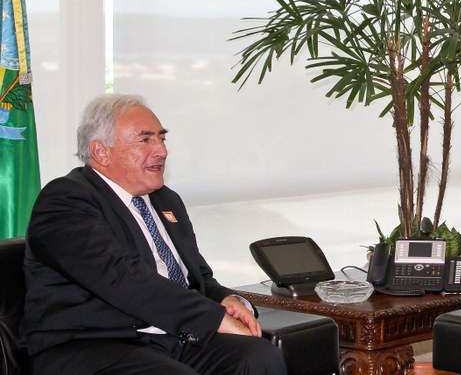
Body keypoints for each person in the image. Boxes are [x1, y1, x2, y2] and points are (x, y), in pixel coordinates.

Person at [19, 94, 287, 375]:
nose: (161, 150)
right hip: (94, 344)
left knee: (258, 357)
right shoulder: (66, 200)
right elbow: (121, 278)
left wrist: (227, 301)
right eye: (145, 140)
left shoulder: (165, 200)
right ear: (101, 152)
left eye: (162, 138)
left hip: (169, 336)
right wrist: (213, 318)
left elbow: (197, 278)